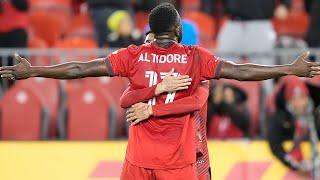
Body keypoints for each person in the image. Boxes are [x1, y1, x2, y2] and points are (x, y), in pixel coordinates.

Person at [1, 3, 319, 179]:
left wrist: (35, 71)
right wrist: (289, 69)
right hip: (178, 163)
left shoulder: (134, 56)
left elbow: (81, 69)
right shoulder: (195, 58)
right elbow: (242, 72)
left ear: (151, 31)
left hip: (138, 160)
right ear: (178, 30)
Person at [119, 32, 211, 179]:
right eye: (147, 43)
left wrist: (151, 110)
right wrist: (159, 87)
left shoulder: (192, 69)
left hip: (185, 150)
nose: (150, 47)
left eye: (154, 42)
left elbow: (196, 102)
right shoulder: (144, 76)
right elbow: (124, 100)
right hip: (145, 155)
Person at [267, 77, 315, 171]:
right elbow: (274, 144)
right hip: (289, 166)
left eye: (302, 97)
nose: (298, 103)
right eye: (294, 99)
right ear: (288, 100)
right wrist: (291, 162)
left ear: (307, 97)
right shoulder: (280, 117)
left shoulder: (315, 115)